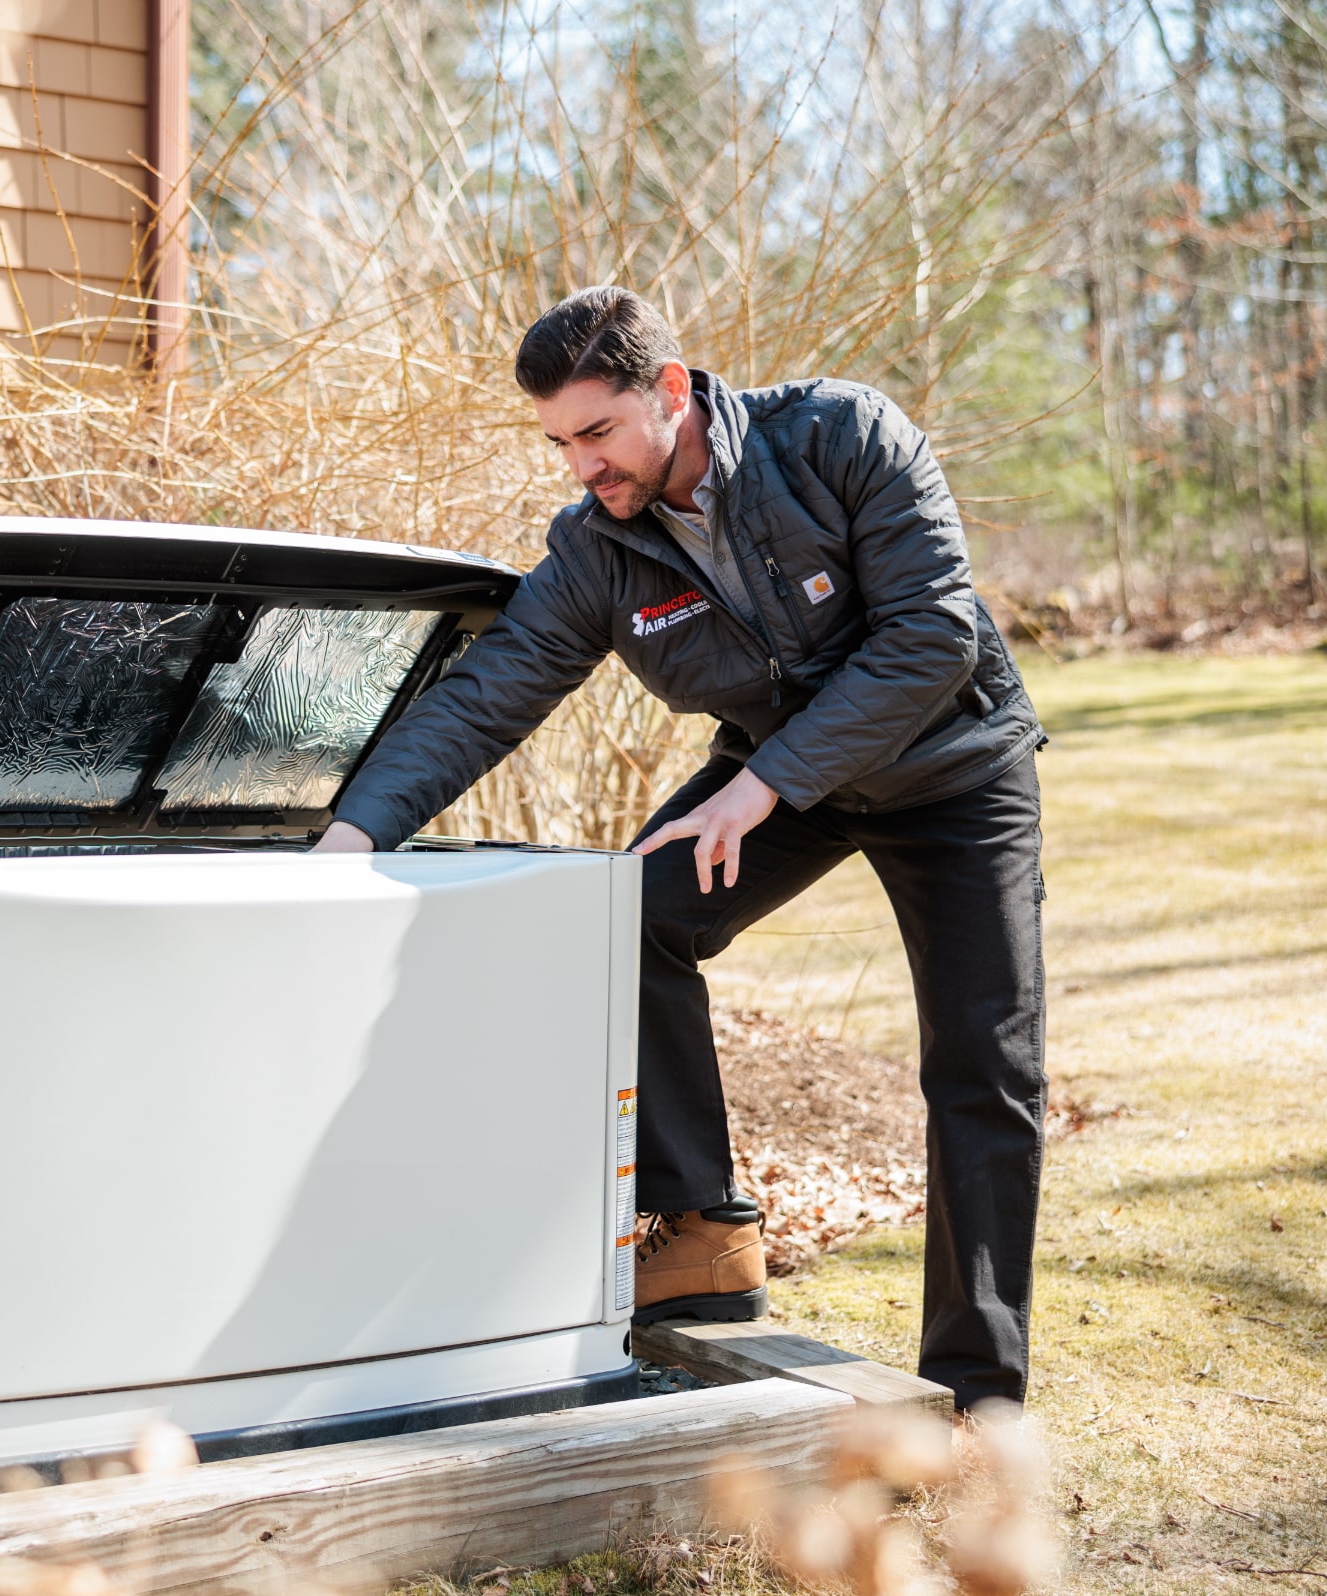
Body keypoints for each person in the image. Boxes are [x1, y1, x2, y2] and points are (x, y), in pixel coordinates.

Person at [313, 286, 1048, 1411]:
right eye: (558, 442)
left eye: (595, 432)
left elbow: (931, 637)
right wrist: (347, 839)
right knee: (630, 918)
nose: (578, 466)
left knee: (981, 1065)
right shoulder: (599, 547)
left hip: (950, 770)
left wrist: (760, 786)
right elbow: (484, 701)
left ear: (669, 391)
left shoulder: (841, 436)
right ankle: (702, 1231)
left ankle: (978, 1395)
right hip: (780, 779)